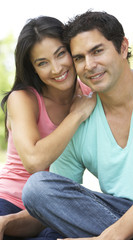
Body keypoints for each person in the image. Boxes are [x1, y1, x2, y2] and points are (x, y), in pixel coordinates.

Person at [21, 10, 133, 240]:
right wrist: (7, 222)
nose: (89, 65)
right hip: (117, 216)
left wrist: (109, 237)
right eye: (79, 58)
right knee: (37, 188)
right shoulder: (79, 120)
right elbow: (55, 201)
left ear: (123, 47)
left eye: (97, 51)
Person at [0, 15, 97, 240]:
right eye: (42, 63)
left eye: (60, 54)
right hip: (10, 202)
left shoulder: (91, 89)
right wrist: (77, 114)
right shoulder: (24, 98)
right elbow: (34, 162)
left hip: (56, 207)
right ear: (33, 69)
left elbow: (123, 82)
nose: (56, 69)